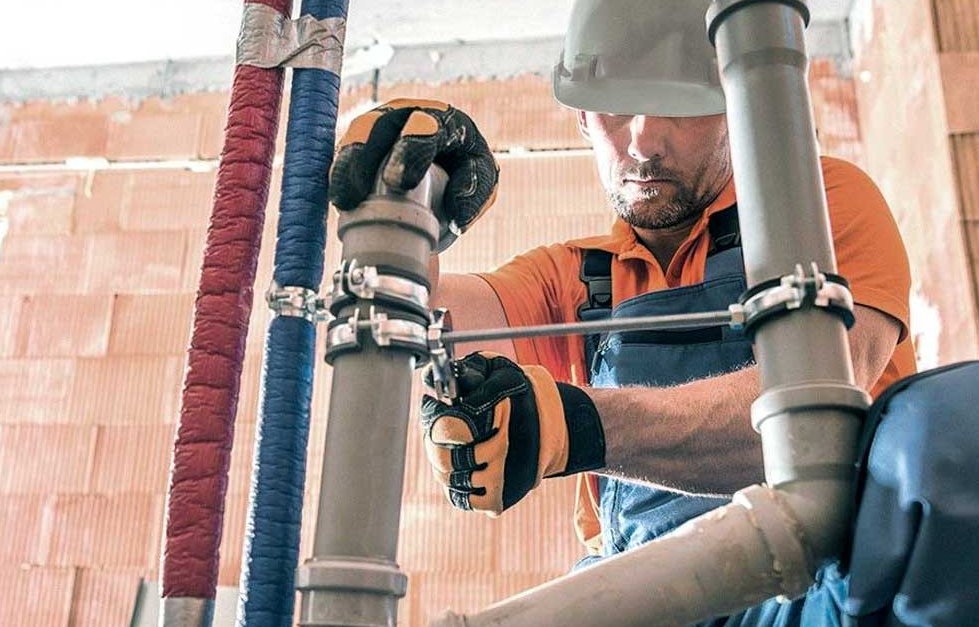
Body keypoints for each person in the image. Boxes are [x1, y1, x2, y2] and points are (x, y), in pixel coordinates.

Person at [327, 0, 915, 623]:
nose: (642, 140)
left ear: (731, 108)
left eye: (678, 107)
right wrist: (400, 210)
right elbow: (415, 304)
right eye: (615, 108)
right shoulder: (578, 279)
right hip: (647, 593)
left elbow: (817, 411)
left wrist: (573, 426)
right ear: (582, 118)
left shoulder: (816, 208)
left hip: (832, 582)